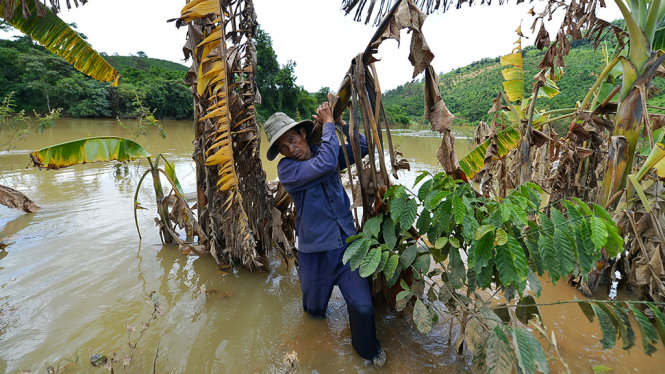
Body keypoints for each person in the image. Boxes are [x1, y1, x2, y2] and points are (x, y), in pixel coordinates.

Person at [264, 102, 385, 365]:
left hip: (346, 247)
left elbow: (364, 148)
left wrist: (340, 123)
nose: (290, 149)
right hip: (314, 255)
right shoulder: (287, 170)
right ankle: (317, 356)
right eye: (283, 147)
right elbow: (327, 163)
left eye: (292, 140)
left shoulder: (325, 151)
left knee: (363, 309)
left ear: (303, 134)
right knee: (314, 314)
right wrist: (328, 125)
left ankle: (370, 360)